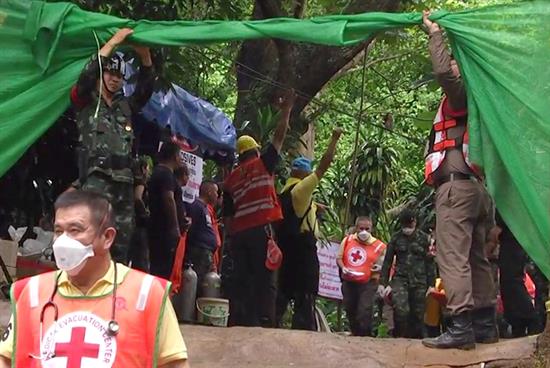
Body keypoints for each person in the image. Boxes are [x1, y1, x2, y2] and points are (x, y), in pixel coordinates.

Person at [0, 190, 189, 367]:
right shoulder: (32, 292)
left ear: (107, 237)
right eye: (58, 231)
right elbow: (5, 359)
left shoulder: (147, 293)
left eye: (75, 230)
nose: (63, 241)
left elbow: (174, 363)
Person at [421, 11, 497, 350]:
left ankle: (462, 327)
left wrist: (435, 35)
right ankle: (483, 325)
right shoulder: (486, 96)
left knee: (452, 257)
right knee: (476, 258)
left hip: (457, 188)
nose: (450, 65)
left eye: (456, 61)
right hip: (479, 190)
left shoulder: (462, 93)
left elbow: (442, 72)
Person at [70, 28, 155, 264]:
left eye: (119, 76)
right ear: (101, 74)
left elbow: (146, 90)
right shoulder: (85, 101)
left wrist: (145, 57)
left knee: (119, 246)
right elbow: (87, 75)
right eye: (109, 73)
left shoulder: (125, 107)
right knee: (91, 241)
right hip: (96, 180)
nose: (115, 79)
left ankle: (112, 295)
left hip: (124, 185)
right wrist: (115, 41)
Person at [223, 89, 295, 327]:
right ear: (255, 150)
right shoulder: (264, 164)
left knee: (243, 278)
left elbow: (228, 217)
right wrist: (286, 110)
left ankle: (242, 320)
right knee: (265, 277)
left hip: (240, 235)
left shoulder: (231, 179)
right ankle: (265, 322)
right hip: (260, 232)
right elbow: (280, 135)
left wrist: (232, 242)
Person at [275, 127, 343, 330]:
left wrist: (316, 206)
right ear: (304, 174)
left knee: (284, 290)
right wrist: (334, 139)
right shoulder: (302, 190)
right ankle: (303, 334)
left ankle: (271, 326)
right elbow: (324, 165)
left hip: (287, 248)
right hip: (303, 251)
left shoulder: (286, 190)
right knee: (305, 295)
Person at [380, 209, 435, 338]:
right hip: (400, 279)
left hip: (420, 281)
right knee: (401, 310)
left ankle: (414, 341)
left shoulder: (424, 239)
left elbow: (430, 262)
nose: (407, 228)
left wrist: (431, 285)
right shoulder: (396, 238)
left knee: (418, 314)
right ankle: (399, 337)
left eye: (409, 225)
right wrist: (383, 283)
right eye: (405, 225)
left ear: (415, 222)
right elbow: (387, 262)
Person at [336, 216, 387, 336]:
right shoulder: (348, 240)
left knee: (364, 310)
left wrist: (380, 268)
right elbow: (339, 258)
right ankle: (355, 335)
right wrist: (343, 267)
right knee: (350, 308)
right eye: (361, 228)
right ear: (356, 228)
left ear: (371, 229)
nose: (364, 232)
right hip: (349, 281)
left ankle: (365, 336)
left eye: (367, 229)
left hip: (368, 283)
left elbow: (386, 264)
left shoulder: (379, 246)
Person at [497, 212, 542, 337]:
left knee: (511, 280)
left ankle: (531, 319)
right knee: (508, 281)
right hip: (511, 231)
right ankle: (517, 323)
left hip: (512, 231)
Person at [148, 142, 185, 279]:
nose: (181, 159)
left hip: (160, 230)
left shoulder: (159, 173)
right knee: (162, 271)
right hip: (164, 232)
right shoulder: (165, 174)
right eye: (180, 155)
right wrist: (174, 227)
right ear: (175, 156)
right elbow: (169, 199)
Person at [185, 181, 220, 295]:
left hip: (207, 253)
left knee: (207, 285)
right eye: (216, 192)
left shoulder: (205, 209)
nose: (217, 195)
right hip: (199, 252)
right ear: (209, 192)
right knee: (199, 284)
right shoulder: (196, 206)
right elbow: (190, 229)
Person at [129, 155, 151, 271]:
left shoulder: (129, 180)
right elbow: (137, 197)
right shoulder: (140, 181)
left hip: (129, 222)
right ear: (143, 168)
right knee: (141, 261)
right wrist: (145, 214)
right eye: (148, 168)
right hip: (138, 225)